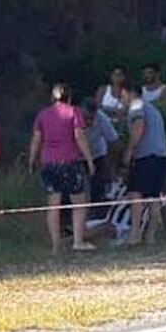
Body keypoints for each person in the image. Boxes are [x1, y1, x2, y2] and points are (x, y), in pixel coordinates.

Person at [29, 84, 97, 254]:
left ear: (53, 97)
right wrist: (89, 159)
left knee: (53, 205)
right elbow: (79, 136)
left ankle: (55, 245)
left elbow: (36, 139)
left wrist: (32, 159)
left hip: (49, 163)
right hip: (70, 162)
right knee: (78, 203)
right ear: (69, 97)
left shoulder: (42, 115)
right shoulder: (74, 112)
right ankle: (78, 241)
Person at [121, 85, 166, 246]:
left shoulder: (136, 105)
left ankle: (135, 234)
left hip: (145, 156)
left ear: (130, 93)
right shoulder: (153, 110)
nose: (122, 101)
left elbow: (138, 126)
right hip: (160, 156)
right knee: (154, 196)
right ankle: (151, 237)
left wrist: (130, 150)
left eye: (123, 96)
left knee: (135, 194)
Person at [81, 98, 119, 218]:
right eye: (86, 117)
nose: (89, 122)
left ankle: (96, 213)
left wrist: (114, 165)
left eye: (92, 118)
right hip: (76, 155)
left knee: (98, 185)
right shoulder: (70, 117)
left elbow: (114, 141)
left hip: (97, 153)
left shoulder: (102, 119)